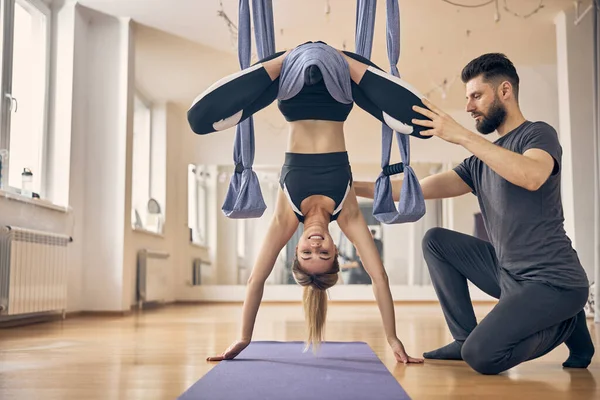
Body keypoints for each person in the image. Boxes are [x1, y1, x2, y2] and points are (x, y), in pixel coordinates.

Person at [187, 41, 428, 364]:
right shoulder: (349, 212)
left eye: (307, 253)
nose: (315, 245)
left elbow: (255, 279)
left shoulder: (286, 216)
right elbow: (378, 277)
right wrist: (391, 337)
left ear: (296, 249)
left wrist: (244, 337)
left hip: (288, 81)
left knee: (198, 120)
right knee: (423, 124)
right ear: (335, 249)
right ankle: (339, 58)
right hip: (342, 84)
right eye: (324, 253)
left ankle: (287, 58)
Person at [354, 53, 595, 375]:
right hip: (509, 274)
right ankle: (463, 337)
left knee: (482, 357)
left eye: (476, 96)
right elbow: (414, 189)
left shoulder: (537, 134)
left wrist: (461, 136)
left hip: (553, 281)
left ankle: (566, 321)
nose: (469, 107)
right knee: (436, 240)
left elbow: (532, 176)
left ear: (505, 91)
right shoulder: (477, 164)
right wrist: (349, 185)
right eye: (468, 98)